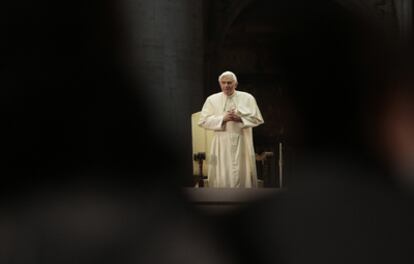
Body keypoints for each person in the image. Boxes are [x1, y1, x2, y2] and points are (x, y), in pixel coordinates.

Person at [198, 71, 264, 188]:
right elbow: (203, 121)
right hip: (221, 142)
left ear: (236, 84)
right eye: (223, 83)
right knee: (222, 174)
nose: (226, 85)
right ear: (220, 84)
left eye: (229, 83)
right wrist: (222, 119)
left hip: (242, 141)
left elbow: (258, 119)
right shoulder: (212, 99)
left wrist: (241, 119)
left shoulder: (247, 98)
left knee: (242, 174)